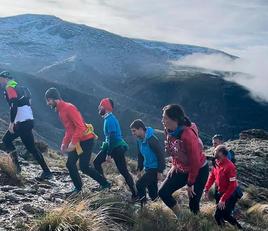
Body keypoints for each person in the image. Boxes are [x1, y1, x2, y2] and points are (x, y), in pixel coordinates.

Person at [45, 88, 110, 194]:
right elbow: (69, 129)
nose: (47, 103)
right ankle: (78, 188)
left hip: (87, 140)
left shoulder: (69, 108)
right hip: (79, 141)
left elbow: (80, 127)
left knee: (84, 167)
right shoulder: (61, 111)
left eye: (48, 100)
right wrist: (64, 143)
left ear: (53, 99)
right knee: (70, 164)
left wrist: (73, 143)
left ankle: (105, 184)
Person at [0, 71, 52, 180]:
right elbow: (29, 102)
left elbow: (13, 105)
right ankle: (47, 172)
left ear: (5, 78)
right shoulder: (22, 88)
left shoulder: (9, 88)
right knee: (31, 147)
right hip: (28, 120)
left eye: (1, 78)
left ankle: (16, 167)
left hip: (20, 122)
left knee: (6, 140)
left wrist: (12, 122)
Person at [159, 104, 209, 216]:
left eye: (165, 118)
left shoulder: (187, 135)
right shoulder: (168, 130)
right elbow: (174, 149)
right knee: (163, 192)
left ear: (175, 119)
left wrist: (190, 183)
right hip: (182, 168)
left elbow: (195, 162)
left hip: (199, 170)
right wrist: (174, 165)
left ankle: (195, 224)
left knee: (194, 204)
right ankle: (181, 217)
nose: (162, 120)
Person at [93, 98, 137, 199]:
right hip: (116, 147)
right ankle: (135, 194)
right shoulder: (108, 118)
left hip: (115, 147)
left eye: (101, 106)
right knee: (123, 171)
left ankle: (104, 184)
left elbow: (112, 137)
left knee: (97, 162)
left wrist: (108, 154)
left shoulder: (110, 120)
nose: (99, 108)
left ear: (106, 107)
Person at [204, 145, 243, 229]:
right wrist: (206, 189)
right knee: (220, 216)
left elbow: (232, 186)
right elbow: (212, 176)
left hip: (230, 194)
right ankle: (223, 228)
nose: (214, 152)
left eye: (216, 151)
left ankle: (240, 229)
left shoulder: (230, 166)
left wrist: (223, 199)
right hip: (219, 192)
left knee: (224, 215)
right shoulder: (216, 162)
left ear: (222, 153)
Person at [130, 119, 165, 205]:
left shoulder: (152, 140)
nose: (133, 133)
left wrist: (160, 171)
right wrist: (139, 168)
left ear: (141, 129)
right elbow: (140, 155)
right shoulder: (139, 141)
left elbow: (160, 155)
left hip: (154, 169)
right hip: (148, 168)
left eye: (134, 131)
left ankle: (143, 206)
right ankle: (157, 208)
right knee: (153, 193)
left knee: (139, 184)